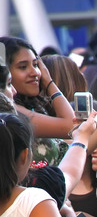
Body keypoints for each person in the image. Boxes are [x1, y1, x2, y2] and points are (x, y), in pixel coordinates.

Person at [0, 36, 75, 165]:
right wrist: (49, 82)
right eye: (23, 67)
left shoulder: (32, 107)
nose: (35, 72)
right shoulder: (14, 113)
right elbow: (71, 126)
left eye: (36, 65)